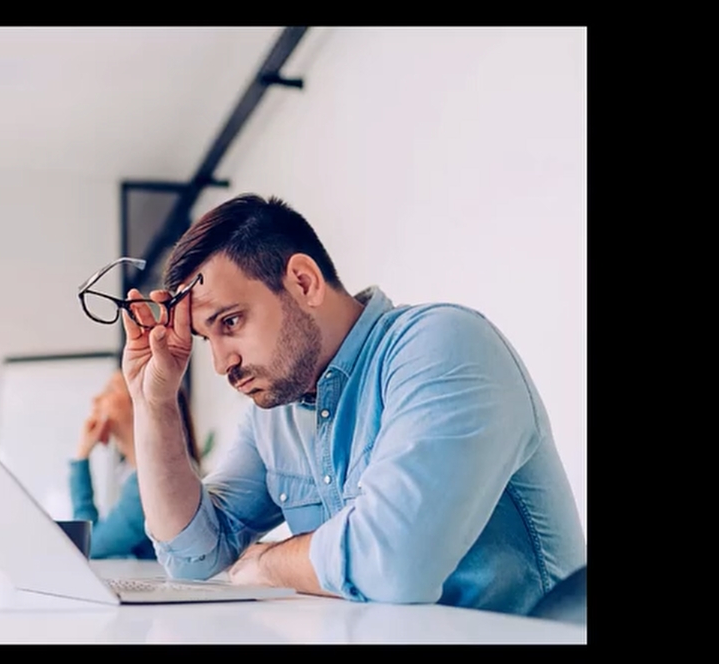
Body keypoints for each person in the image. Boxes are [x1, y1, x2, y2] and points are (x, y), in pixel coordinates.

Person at [119, 193, 585, 615]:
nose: (222, 363)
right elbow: (193, 558)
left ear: (303, 283)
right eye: (206, 338)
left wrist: (268, 562)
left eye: (231, 322)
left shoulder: (442, 344)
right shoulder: (274, 416)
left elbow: (394, 563)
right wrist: (153, 403)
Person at [69, 373, 201, 559]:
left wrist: (81, 457)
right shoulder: (131, 473)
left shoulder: (156, 481)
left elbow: (88, 546)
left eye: (110, 390)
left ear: (141, 404)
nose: (96, 398)